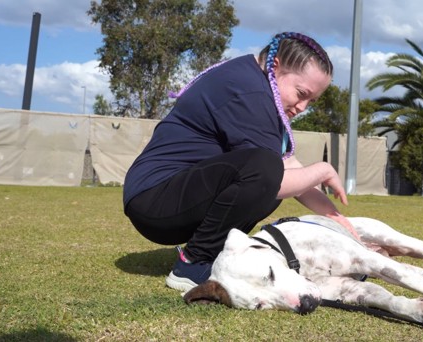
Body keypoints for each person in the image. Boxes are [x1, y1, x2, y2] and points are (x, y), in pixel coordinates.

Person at [123, 32, 360, 292]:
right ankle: (194, 263)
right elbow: (276, 176)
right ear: (276, 66)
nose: (303, 107)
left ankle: (213, 253)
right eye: (301, 93)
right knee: (267, 172)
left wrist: (338, 221)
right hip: (155, 200)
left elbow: (290, 168)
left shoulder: (256, 84)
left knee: (271, 176)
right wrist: (323, 169)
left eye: (311, 101)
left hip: (167, 199)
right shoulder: (249, 91)